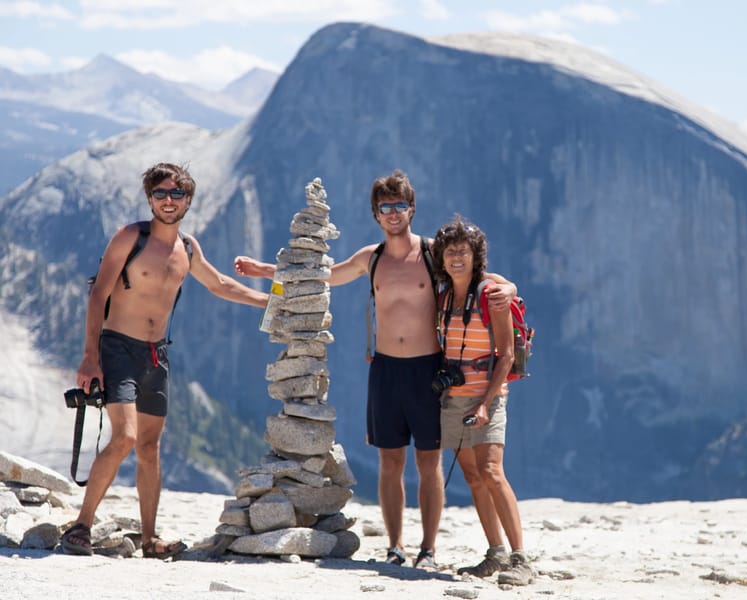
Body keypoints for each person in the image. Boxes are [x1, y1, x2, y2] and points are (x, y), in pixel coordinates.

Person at [234, 169, 515, 569]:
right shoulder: (372, 258)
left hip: (428, 369)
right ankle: (395, 546)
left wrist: (510, 288)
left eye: (400, 205)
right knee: (390, 462)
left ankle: (428, 549)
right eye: (386, 207)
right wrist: (266, 270)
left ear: (412, 209)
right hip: (385, 370)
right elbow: (325, 276)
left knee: (429, 462)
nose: (393, 213)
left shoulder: (432, 252)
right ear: (376, 214)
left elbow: (477, 277)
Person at [61, 162, 269, 559]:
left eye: (177, 194)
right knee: (125, 437)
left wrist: (271, 299)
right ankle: (81, 526)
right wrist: (90, 357)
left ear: (188, 201)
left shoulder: (187, 248)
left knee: (149, 446)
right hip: (118, 347)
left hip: (156, 355)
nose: (168, 200)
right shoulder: (130, 237)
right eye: (160, 193)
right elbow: (98, 293)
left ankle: (149, 539)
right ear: (150, 198)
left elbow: (219, 284)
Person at [430, 215, 534, 586]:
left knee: (491, 471)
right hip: (454, 397)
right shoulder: (443, 297)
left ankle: (520, 558)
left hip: (488, 396)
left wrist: (486, 403)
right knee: (473, 476)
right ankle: (495, 553)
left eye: (464, 251)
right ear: (441, 258)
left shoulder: (492, 295)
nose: (456, 258)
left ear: (476, 257)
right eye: (450, 252)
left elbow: (505, 355)